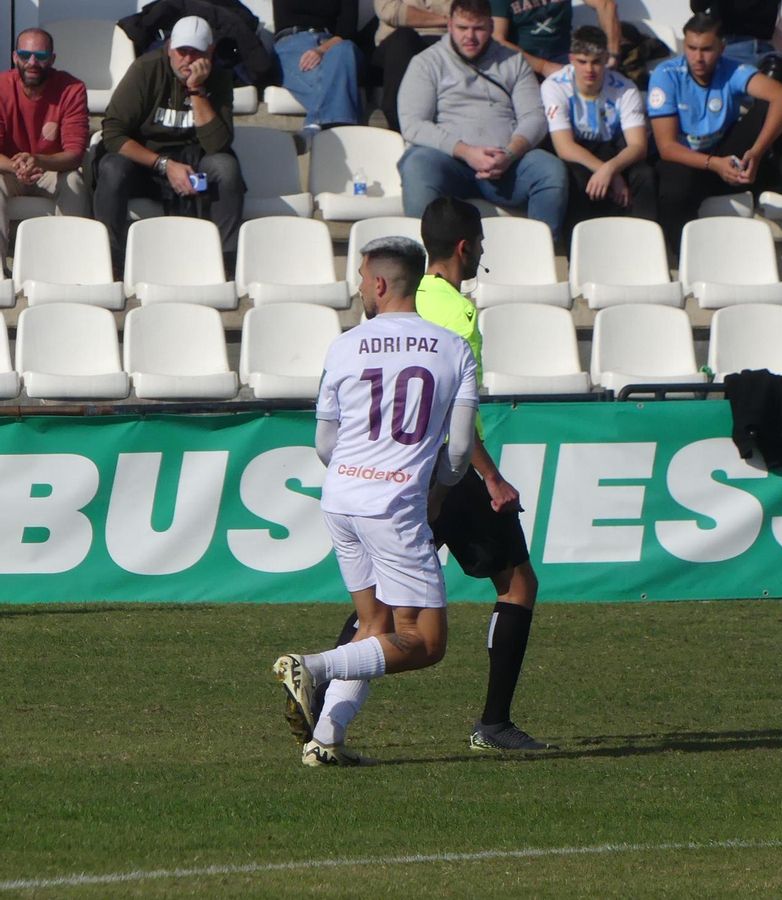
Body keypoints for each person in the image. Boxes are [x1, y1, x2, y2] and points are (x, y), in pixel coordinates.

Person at [314, 198, 555, 753]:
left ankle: (325, 718)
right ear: (466, 248)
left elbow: (332, 432)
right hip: (439, 473)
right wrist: (488, 479)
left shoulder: (393, 306)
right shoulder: (451, 318)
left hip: (370, 479)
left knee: (377, 612)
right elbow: (454, 423)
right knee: (514, 585)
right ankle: (493, 722)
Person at [273, 235, 478, 767]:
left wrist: (349, 471)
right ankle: (312, 667)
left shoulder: (343, 346)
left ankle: (328, 738)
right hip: (395, 507)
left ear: (381, 283)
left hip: (340, 499)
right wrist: (436, 491)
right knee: (426, 642)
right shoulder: (454, 347)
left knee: (375, 625)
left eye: (362, 278)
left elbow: (323, 441)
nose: (360, 287)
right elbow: (458, 450)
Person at [650, 12, 782, 250]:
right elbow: (667, 147)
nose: (697, 58)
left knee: (773, 109)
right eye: (691, 48)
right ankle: (684, 257)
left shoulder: (732, 69)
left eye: (706, 49)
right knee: (677, 185)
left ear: (721, 48)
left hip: (725, 159)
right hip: (685, 164)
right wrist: (714, 163)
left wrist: (756, 152)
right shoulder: (666, 75)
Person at [397, 0, 568, 234]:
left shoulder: (514, 61)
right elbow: (413, 125)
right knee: (417, 165)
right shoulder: (426, 62)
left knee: (550, 169)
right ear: (449, 25)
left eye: (478, 28)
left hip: (507, 163)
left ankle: (538, 255)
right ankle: (426, 260)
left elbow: (535, 117)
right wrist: (467, 152)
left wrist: (510, 153)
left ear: (490, 26)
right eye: (462, 28)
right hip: (450, 162)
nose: (470, 36)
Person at [96, 15, 244, 275]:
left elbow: (217, 144)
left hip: (193, 158)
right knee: (111, 167)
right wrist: (164, 165)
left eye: (195, 52)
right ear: (169, 48)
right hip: (146, 157)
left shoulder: (219, 77)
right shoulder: (146, 69)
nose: (187, 59)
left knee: (225, 166)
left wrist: (196, 91)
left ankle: (225, 262)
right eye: (181, 51)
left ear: (209, 51)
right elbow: (113, 133)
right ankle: (111, 262)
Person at [542, 26, 656, 226]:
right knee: (574, 178)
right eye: (582, 62)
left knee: (644, 175)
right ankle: (578, 249)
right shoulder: (554, 86)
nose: (589, 69)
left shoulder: (626, 89)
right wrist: (608, 173)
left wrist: (610, 170)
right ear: (571, 59)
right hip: (577, 150)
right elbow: (564, 147)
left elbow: (638, 146)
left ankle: (642, 243)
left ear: (606, 59)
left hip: (613, 149)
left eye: (596, 62)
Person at [0, 28, 89, 263]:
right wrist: (17, 166)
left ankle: (68, 265)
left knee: (74, 182)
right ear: (14, 57)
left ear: (52, 59)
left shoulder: (72, 89)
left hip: (50, 169)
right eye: (25, 54)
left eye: (40, 56)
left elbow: (75, 153)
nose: (32, 62)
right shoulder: (1, 87)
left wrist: (38, 160)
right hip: (8, 170)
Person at [271, 0, 363, 141]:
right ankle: (343, 135)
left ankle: (314, 125)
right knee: (335, 82)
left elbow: (347, 29)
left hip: (332, 44)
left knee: (345, 49)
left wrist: (321, 50)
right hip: (292, 43)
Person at [373, 0, 451, 131]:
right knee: (403, 39)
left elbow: (465, 12)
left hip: (445, 38)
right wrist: (446, 20)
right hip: (396, 41)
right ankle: (399, 125)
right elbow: (390, 11)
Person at [491, 0, 621, 78]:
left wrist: (612, 55)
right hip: (523, 63)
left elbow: (606, 5)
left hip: (565, 58)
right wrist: (543, 67)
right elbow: (497, 39)